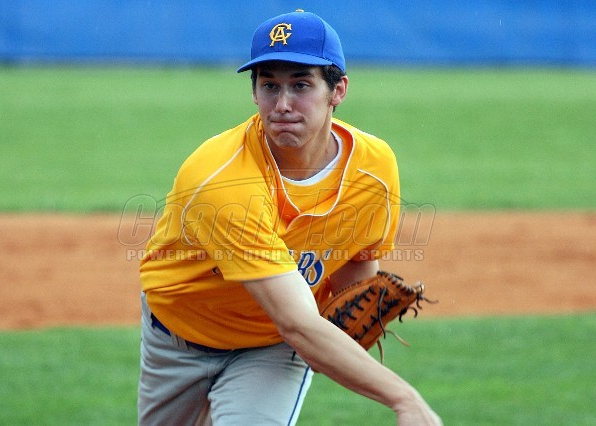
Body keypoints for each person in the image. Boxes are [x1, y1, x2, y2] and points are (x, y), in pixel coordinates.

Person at [138, 9, 442, 426]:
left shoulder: (373, 168)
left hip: (273, 346)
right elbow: (299, 323)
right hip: (178, 337)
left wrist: (336, 340)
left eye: (300, 85)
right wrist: (404, 399)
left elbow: (353, 272)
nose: (282, 104)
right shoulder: (223, 180)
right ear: (254, 92)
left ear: (338, 90)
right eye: (269, 85)